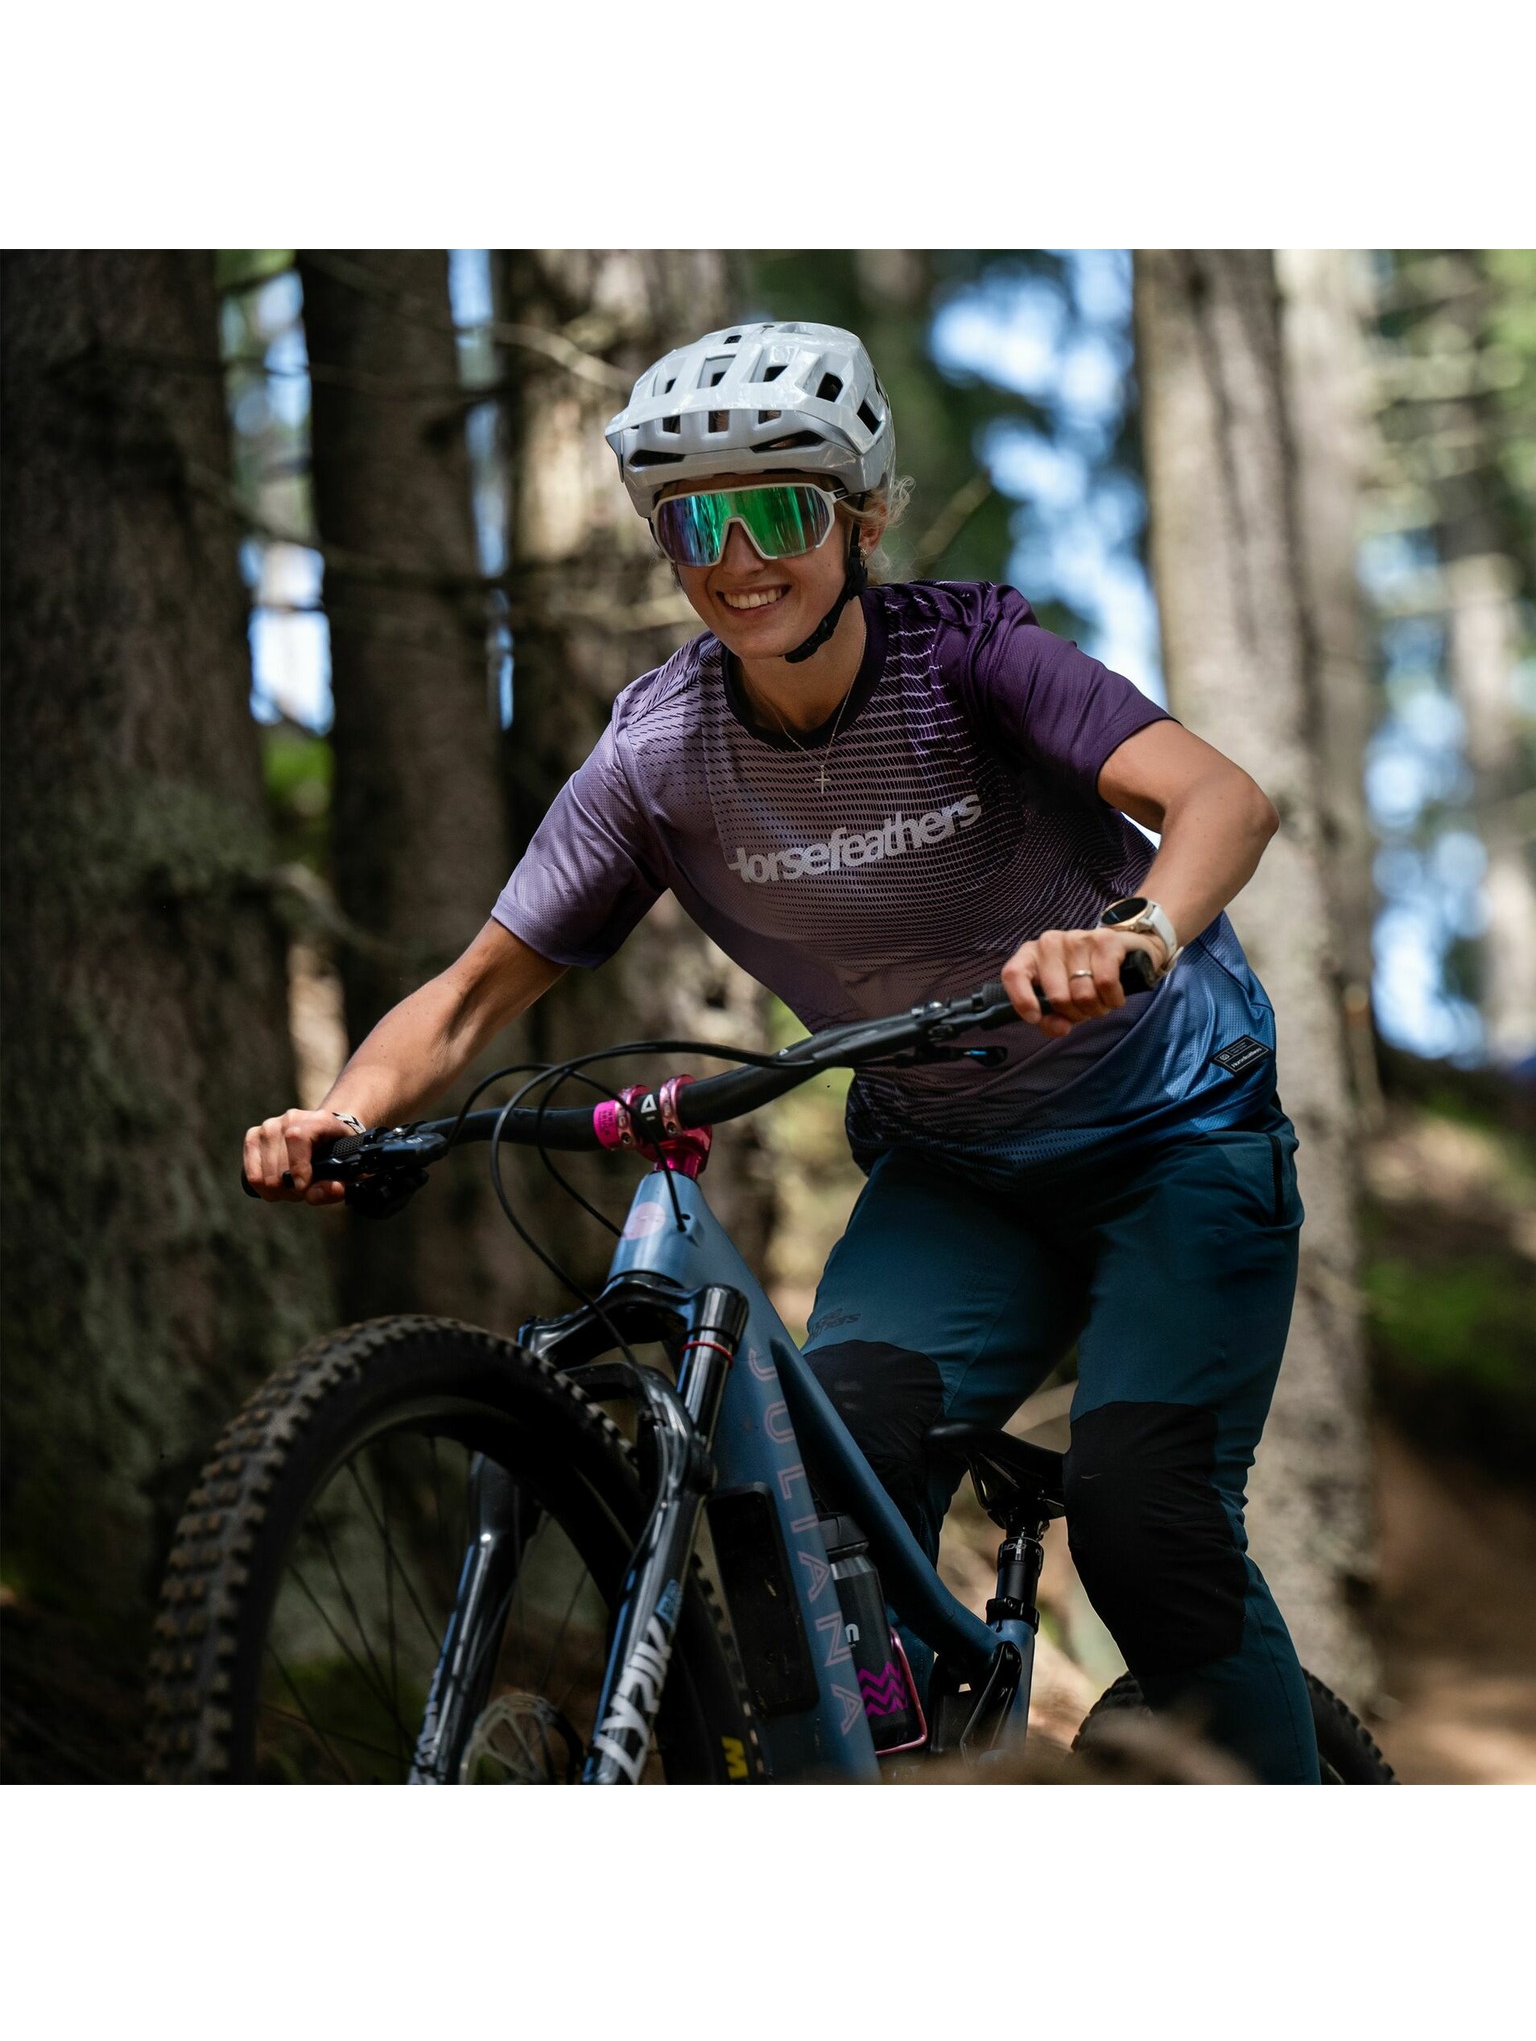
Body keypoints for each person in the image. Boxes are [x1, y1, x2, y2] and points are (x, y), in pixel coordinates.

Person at [243, 320, 1320, 1783]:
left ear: (861, 521)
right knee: (815, 1498)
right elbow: (471, 999)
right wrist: (343, 1113)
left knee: (1148, 1524)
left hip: (1176, 1136)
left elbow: (1224, 801)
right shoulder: (659, 756)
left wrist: (1136, 931)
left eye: (777, 511)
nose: (739, 557)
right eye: (698, 522)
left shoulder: (973, 661)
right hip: (956, 1175)